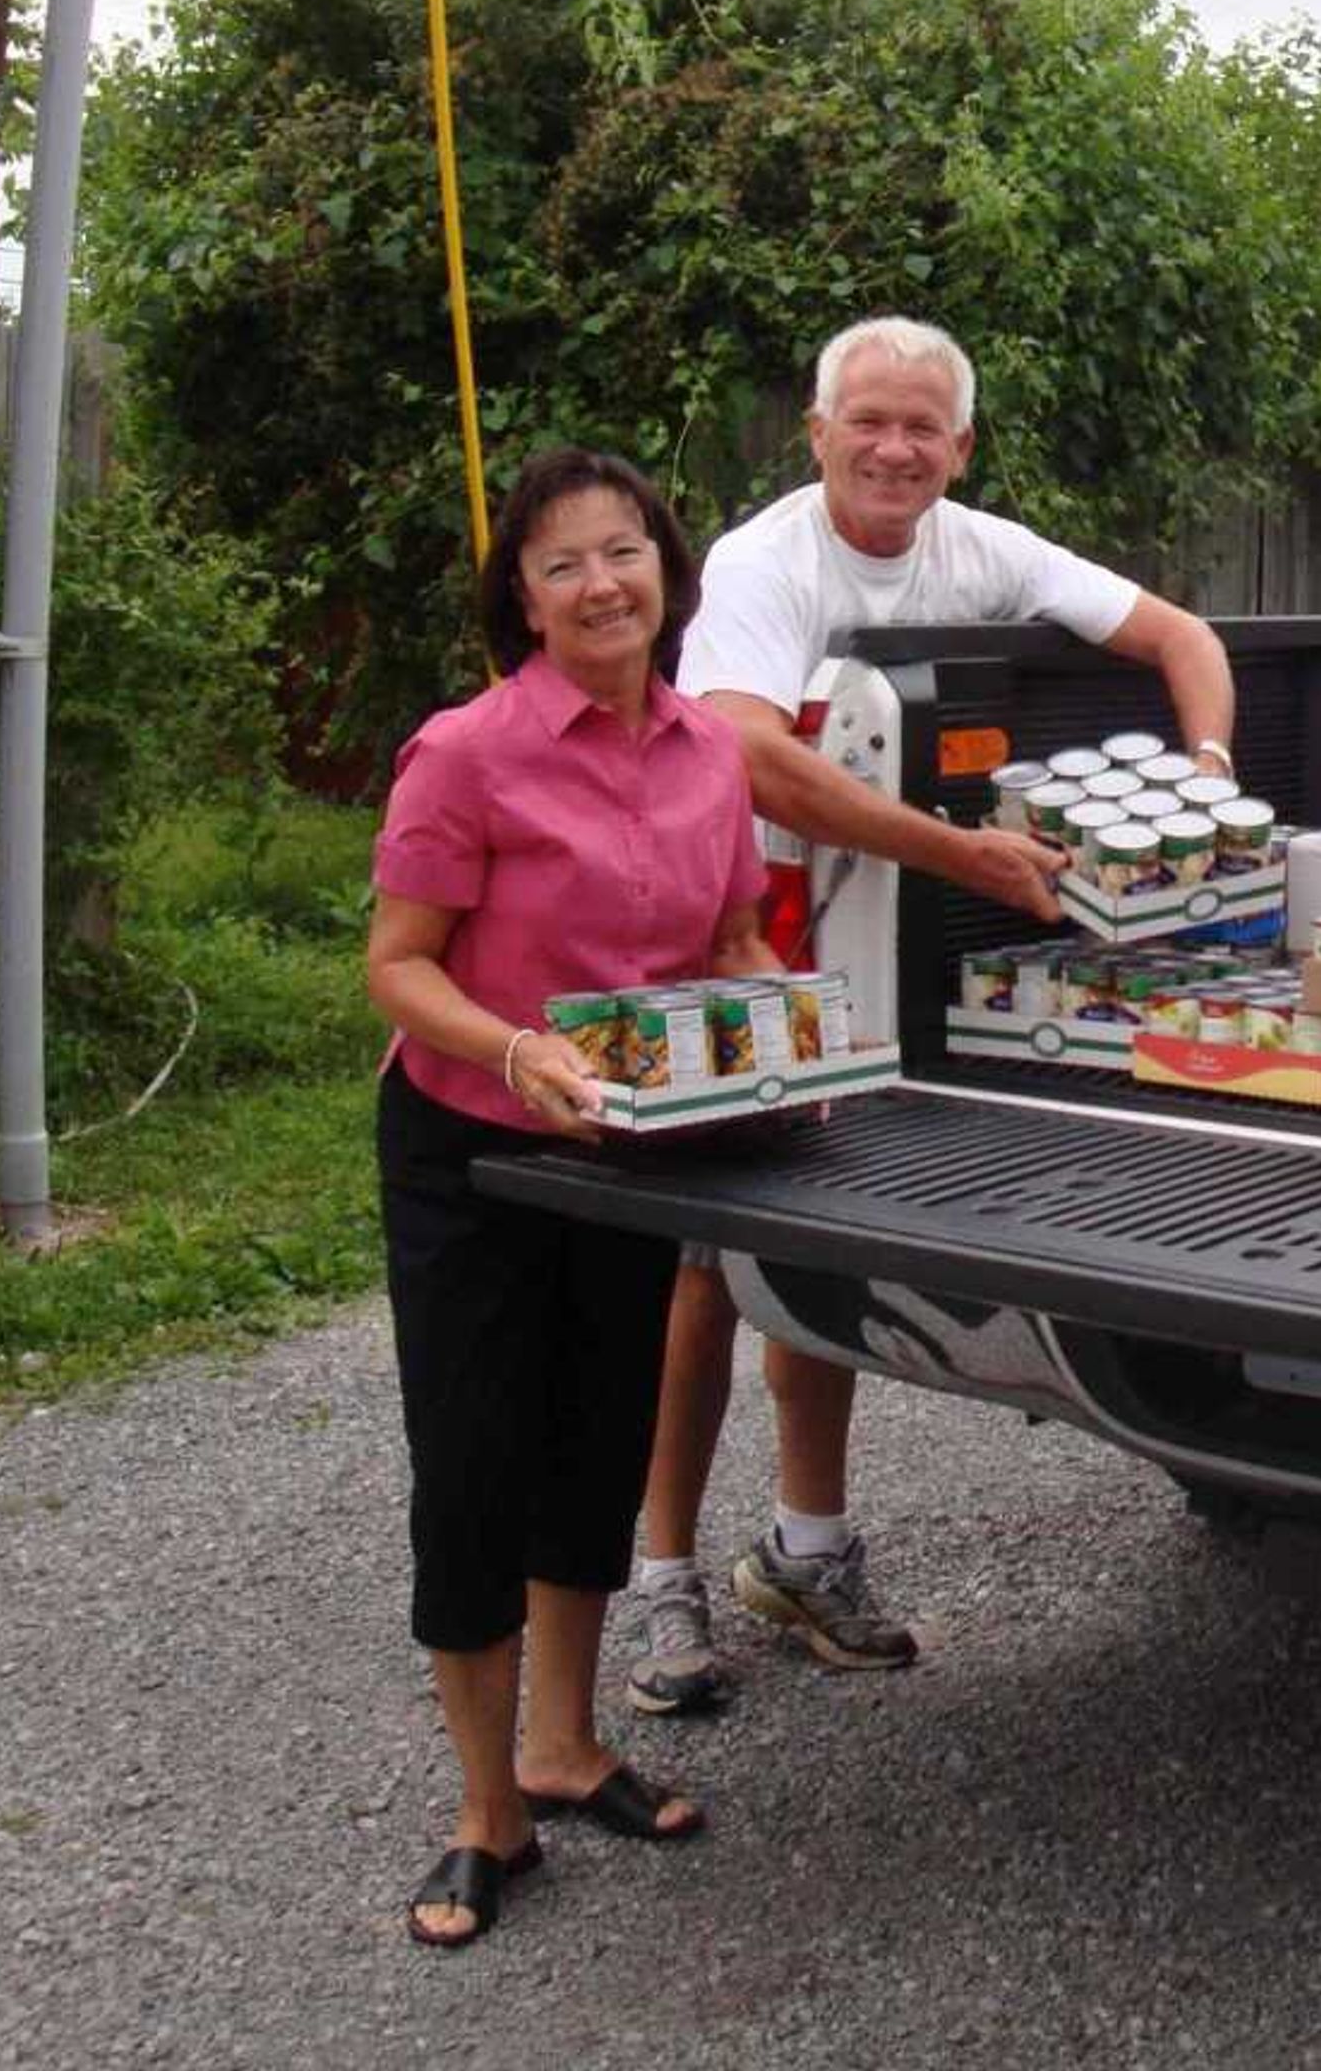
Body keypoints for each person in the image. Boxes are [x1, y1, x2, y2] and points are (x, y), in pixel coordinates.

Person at [624, 314, 1237, 1710]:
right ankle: (662, 1579)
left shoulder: (987, 546)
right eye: (869, 421)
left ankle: (806, 1549)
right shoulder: (763, 562)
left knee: (819, 1241)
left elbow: (1182, 635)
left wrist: (1204, 775)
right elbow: (748, 758)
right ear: (819, 431)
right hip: (743, 929)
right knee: (702, 1266)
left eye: (923, 428)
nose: (894, 448)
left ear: (961, 447)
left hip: (885, 928)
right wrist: (960, 853)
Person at [363, 448, 763, 1950]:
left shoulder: (709, 751)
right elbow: (397, 968)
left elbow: (726, 937)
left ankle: (567, 1744)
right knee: (472, 1462)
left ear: (665, 564)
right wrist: (518, 1045)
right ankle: (488, 1814)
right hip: (471, 1144)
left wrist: (783, 1026)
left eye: (624, 551)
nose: (603, 583)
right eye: (563, 565)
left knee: (599, 1444)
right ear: (521, 602)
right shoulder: (464, 753)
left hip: (627, 1148)